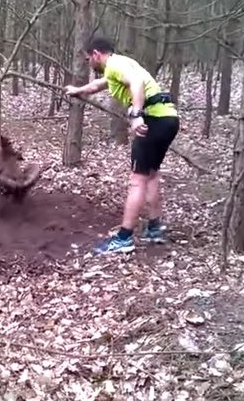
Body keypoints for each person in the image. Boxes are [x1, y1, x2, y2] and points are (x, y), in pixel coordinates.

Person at [64, 36, 180, 255]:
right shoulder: (121, 64)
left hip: (153, 120)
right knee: (151, 175)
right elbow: (99, 84)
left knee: (137, 180)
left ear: (97, 54)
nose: (90, 63)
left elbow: (136, 83)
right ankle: (154, 229)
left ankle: (124, 238)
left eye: (89, 59)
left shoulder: (115, 65)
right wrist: (77, 91)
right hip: (168, 119)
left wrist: (136, 115)